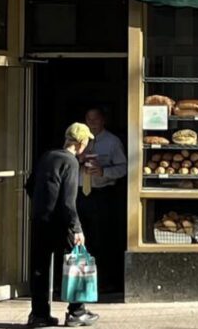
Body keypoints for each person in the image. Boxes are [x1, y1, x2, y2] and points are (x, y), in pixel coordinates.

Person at [26, 122, 100, 328]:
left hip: (41, 220)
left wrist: (43, 205)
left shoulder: (47, 156)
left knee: (40, 268)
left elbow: (29, 185)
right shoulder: (71, 162)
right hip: (61, 222)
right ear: (81, 143)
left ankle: (39, 315)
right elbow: (68, 202)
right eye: (87, 142)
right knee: (74, 264)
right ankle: (76, 312)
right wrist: (76, 228)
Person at [77, 107, 128, 290]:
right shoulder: (77, 140)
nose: (92, 123)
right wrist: (78, 160)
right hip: (79, 194)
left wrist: (104, 171)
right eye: (88, 119)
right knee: (79, 239)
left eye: (96, 119)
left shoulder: (112, 142)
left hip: (102, 195)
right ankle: (79, 280)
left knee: (102, 238)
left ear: (103, 120)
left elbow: (123, 168)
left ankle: (103, 282)